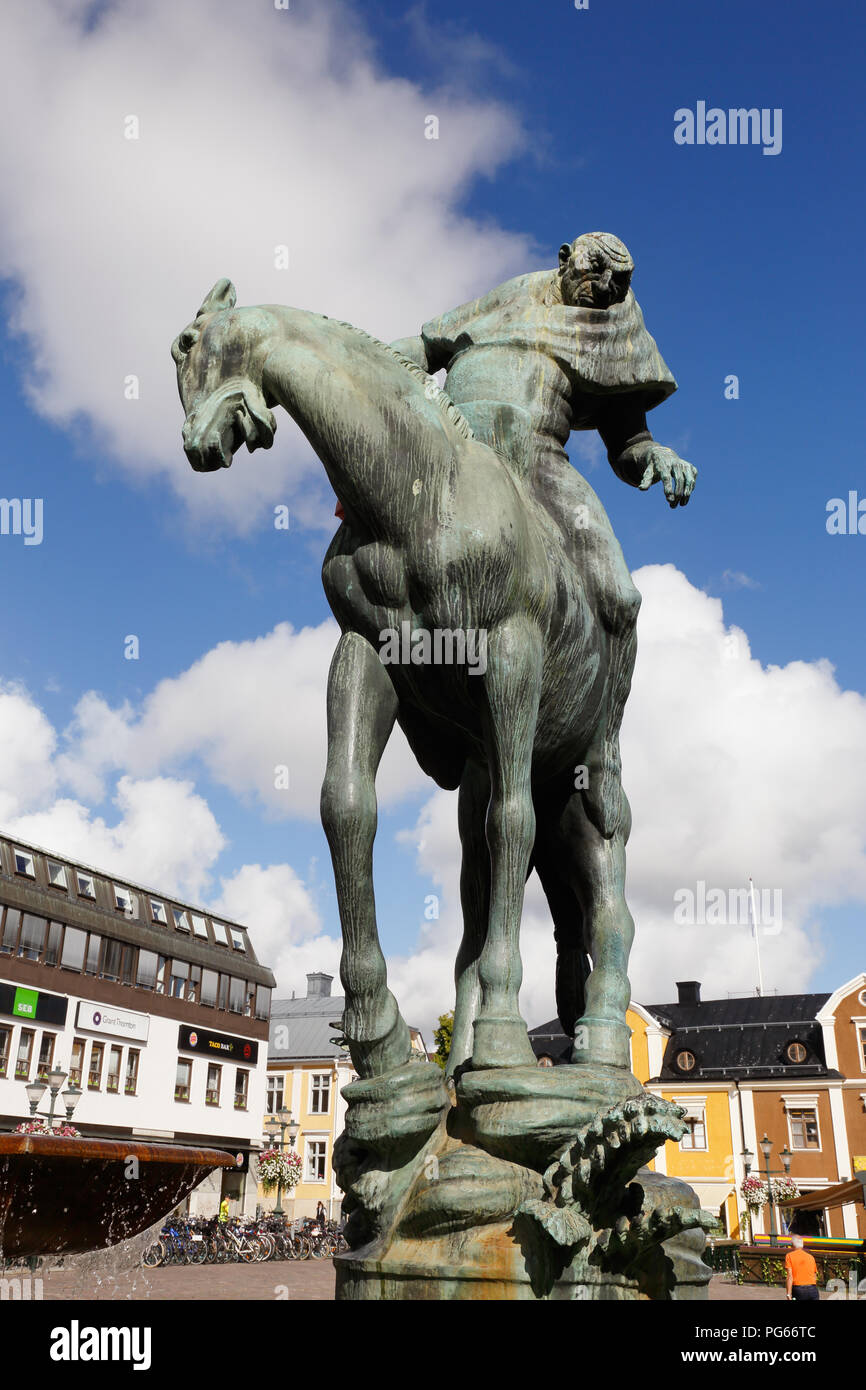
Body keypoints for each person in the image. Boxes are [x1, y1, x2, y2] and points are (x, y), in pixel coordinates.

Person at [390, 233, 696, 838]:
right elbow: (423, 347)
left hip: (537, 461)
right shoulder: (505, 299)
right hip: (453, 451)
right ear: (564, 260)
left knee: (620, 597)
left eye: (617, 285)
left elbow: (627, 444)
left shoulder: (610, 333)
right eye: (594, 276)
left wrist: (656, 457)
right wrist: (379, 368)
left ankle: (603, 750)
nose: (603, 291)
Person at [785, 1234, 819, 1301]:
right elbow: (814, 1275)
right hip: (812, 1289)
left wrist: (788, 1293)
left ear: (793, 1245)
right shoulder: (811, 1257)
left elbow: (790, 1276)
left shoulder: (789, 1256)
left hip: (798, 1289)